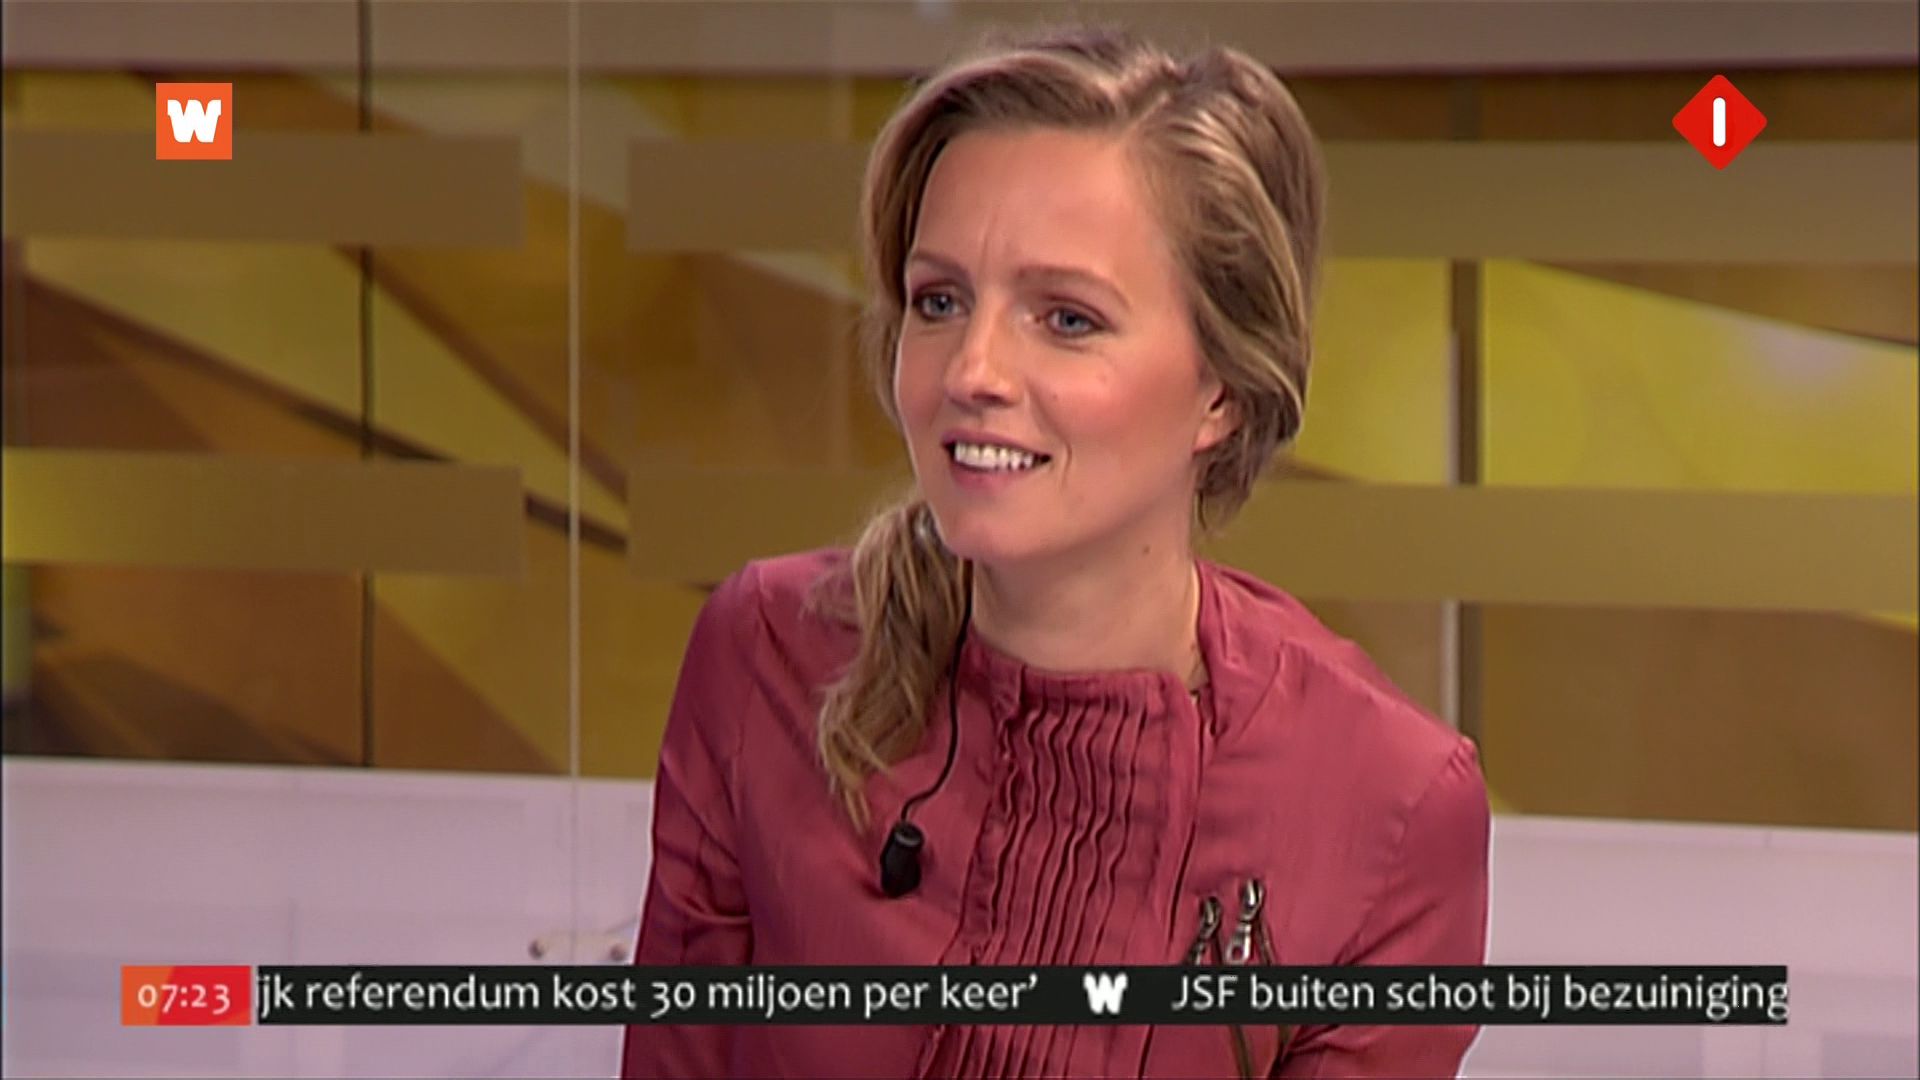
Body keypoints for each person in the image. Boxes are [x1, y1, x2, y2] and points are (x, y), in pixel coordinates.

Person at [621, 24, 1489, 1080]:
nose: (971, 370)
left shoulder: (1388, 806)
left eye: (1067, 319)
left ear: (1221, 387)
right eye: (939, 302)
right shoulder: (765, 653)